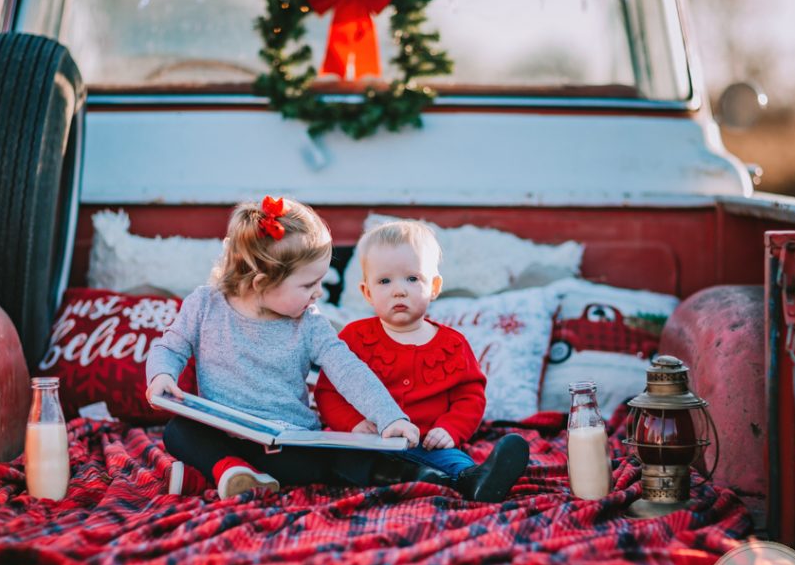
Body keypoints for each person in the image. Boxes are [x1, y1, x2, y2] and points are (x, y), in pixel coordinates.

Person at [146, 196, 448, 500]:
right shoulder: (205, 304)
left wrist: (390, 417)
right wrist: (161, 375)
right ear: (260, 283)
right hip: (222, 432)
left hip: (285, 444)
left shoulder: (310, 323)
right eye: (308, 285)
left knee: (334, 460)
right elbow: (170, 348)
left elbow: (349, 371)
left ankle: (217, 476)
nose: (319, 293)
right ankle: (229, 469)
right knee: (177, 432)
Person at [314, 220, 529, 503]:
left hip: (429, 443)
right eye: (385, 281)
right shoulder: (355, 337)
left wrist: (449, 429)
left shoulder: (452, 344)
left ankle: (476, 481)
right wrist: (353, 423)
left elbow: (470, 397)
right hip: (369, 443)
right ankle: (417, 478)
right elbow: (329, 392)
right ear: (367, 292)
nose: (399, 290)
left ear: (434, 286)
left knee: (454, 460)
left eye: (412, 279)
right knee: (339, 459)